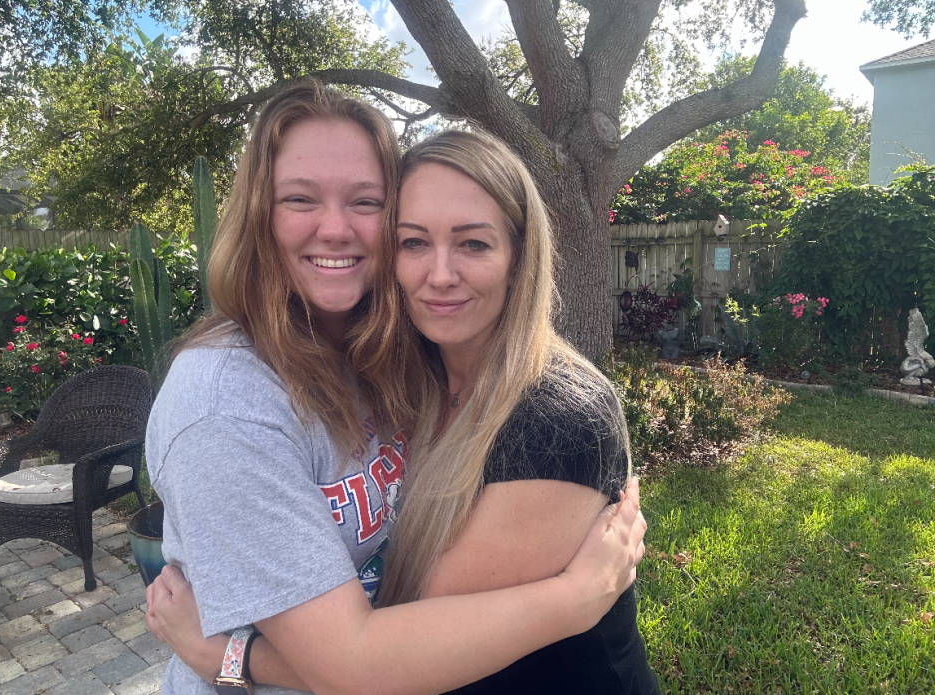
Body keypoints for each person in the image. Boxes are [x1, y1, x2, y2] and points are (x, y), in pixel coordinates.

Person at [144, 82, 647, 695]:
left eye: (473, 243)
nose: (439, 273)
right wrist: (573, 597)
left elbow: (380, 657)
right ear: (258, 215)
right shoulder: (228, 406)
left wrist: (228, 653)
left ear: (521, 255)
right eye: (300, 198)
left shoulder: (544, 415)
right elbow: (362, 660)